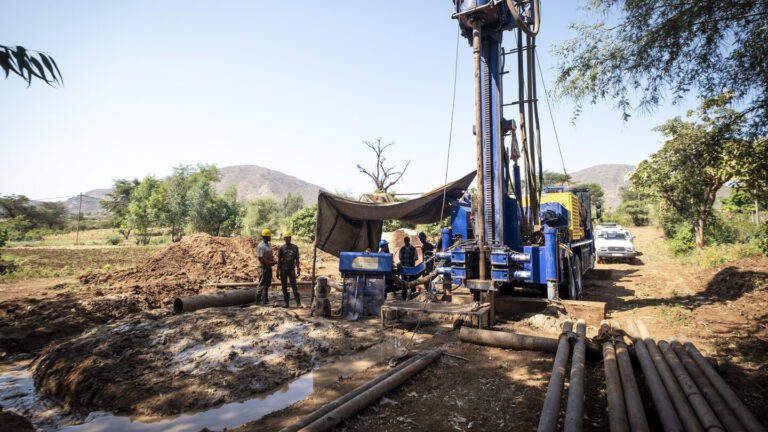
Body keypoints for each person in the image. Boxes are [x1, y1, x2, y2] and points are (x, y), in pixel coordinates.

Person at [277, 232, 302, 308]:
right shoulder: (281, 248)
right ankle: (286, 303)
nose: (288, 239)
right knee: (284, 287)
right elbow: (279, 260)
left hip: (291, 269)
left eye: (289, 238)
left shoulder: (295, 247)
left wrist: (298, 269)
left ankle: (298, 303)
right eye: (286, 238)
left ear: (291, 238)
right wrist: (277, 271)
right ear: (284, 239)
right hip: (283, 270)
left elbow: (297, 259)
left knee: (294, 286)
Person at [255, 229, 275, 305]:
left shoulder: (269, 245)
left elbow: (270, 255)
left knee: (268, 283)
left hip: (268, 267)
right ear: (265, 237)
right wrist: (269, 262)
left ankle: (265, 299)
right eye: (269, 236)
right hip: (262, 267)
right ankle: (257, 301)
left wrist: (273, 260)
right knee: (261, 284)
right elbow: (260, 258)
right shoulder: (261, 246)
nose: (270, 237)